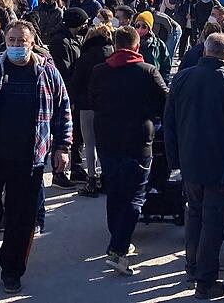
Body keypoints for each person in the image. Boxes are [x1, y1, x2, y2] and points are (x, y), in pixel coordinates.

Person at [0, 21, 72, 293]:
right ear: (4, 41)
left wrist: (63, 147)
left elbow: (63, 110)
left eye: (22, 41)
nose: (16, 46)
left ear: (32, 43)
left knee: (21, 218)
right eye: (12, 40)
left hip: (30, 160)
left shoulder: (47, 73)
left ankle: (12, 270)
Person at [165, 33, 224, 300]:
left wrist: (175, 161)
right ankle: (205, 280)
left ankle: (193, 267)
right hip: (222, 166)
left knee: (194, 214)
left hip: (190, 161)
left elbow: (169, 121)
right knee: (212, 221)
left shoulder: (182, 78)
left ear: (205, 52)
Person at [90, 26, 168, 274]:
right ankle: (118, 247)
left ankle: (118, 237)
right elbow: (166, 101)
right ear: (137, 46)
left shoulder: (100, 71)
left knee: (114, 190)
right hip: (139, 138)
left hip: (107, 137)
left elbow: (92, 99)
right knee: (136, 194)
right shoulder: (147, 71)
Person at [71, 24, 114, 197]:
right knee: (106, 143)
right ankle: (105, 177)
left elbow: (76, 82)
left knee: (90, 144)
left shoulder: (86, 57)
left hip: (87, 105)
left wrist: (74, 100)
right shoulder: (113, 54)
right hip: (107, 105)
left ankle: (91, 179)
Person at [48, 8, 87, 186]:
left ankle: (76, 168)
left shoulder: (73, 39)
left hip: (75, 92)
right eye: (83, 24)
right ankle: (58, 172)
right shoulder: (60, 41)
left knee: (76, 132)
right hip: (66, 92)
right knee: (61, 132)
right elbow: (64, 70)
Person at [135, 11, 172, 84]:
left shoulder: (159, 44)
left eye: (144, 26)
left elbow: (166, 65)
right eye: (137, 26)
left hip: (154, 82)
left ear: (149, 28)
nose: (140, 29)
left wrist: (163, 83)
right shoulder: (132, 42)